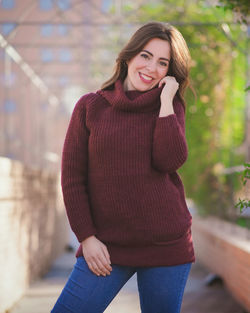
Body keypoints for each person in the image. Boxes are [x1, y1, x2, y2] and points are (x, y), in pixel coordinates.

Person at [51, 21, 195, 313]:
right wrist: (87, 238)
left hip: (166, 245)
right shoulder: (90, 107)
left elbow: (169, 161)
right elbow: (72, 179)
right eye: (145, 55)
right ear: (129, 56)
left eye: (162, 62)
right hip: (106, 247)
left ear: (170, 71)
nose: (151, 68)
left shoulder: (170, 107)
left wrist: (166, 101)